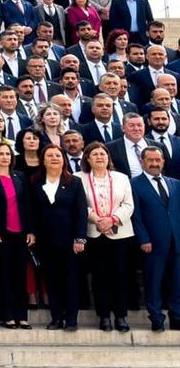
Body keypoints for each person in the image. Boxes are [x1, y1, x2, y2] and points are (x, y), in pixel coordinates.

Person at [78, 140, 134, 333]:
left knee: (120, 275)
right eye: (95, 154)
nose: (100, 157)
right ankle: (104, 316)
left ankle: (121, 316)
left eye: (103, 154)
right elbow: (79, 205)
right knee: (100, 277)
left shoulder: (121, 178)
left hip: (120, 234)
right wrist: (97, 219)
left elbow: (128, 205)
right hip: (94, 233)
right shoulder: (79, 178)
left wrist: (112, 219)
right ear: (87, 158)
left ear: (108, 157)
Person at [33, 143, 88, 330]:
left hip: (70, 241)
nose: (54, 158)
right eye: (49, 155)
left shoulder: (74, 182)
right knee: (52, 280)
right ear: (43, 159)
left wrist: (80, 238)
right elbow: (30, 211)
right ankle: (56, 317)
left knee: (71, 280)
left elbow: (81, 212)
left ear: (63, 159)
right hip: (45, 241)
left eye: (57, 155)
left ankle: (71, 319)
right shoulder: (35, 181)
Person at [131, 145, 180, 331]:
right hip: (152, 243)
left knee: (177, 282)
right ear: (142, 162)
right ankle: (156, 318)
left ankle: (177, 317)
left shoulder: (175, 183)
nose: (154, 163)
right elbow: (136, 216)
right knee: (153, 282)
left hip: (176, 242)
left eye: (157, 160)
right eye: (150, 160)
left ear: (163, 162)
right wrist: (143, 239)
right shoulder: (134, 184)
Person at [0, 141, 34, 329]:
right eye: (1, 154)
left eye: (8, 154)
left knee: (20, 274)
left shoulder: (20, 176)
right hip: (1, 233)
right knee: (3, 274)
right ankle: (7, 315)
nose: (5, 157)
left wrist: (31, 230)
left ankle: (22, 316)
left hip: (20, 232)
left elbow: (28, 205)